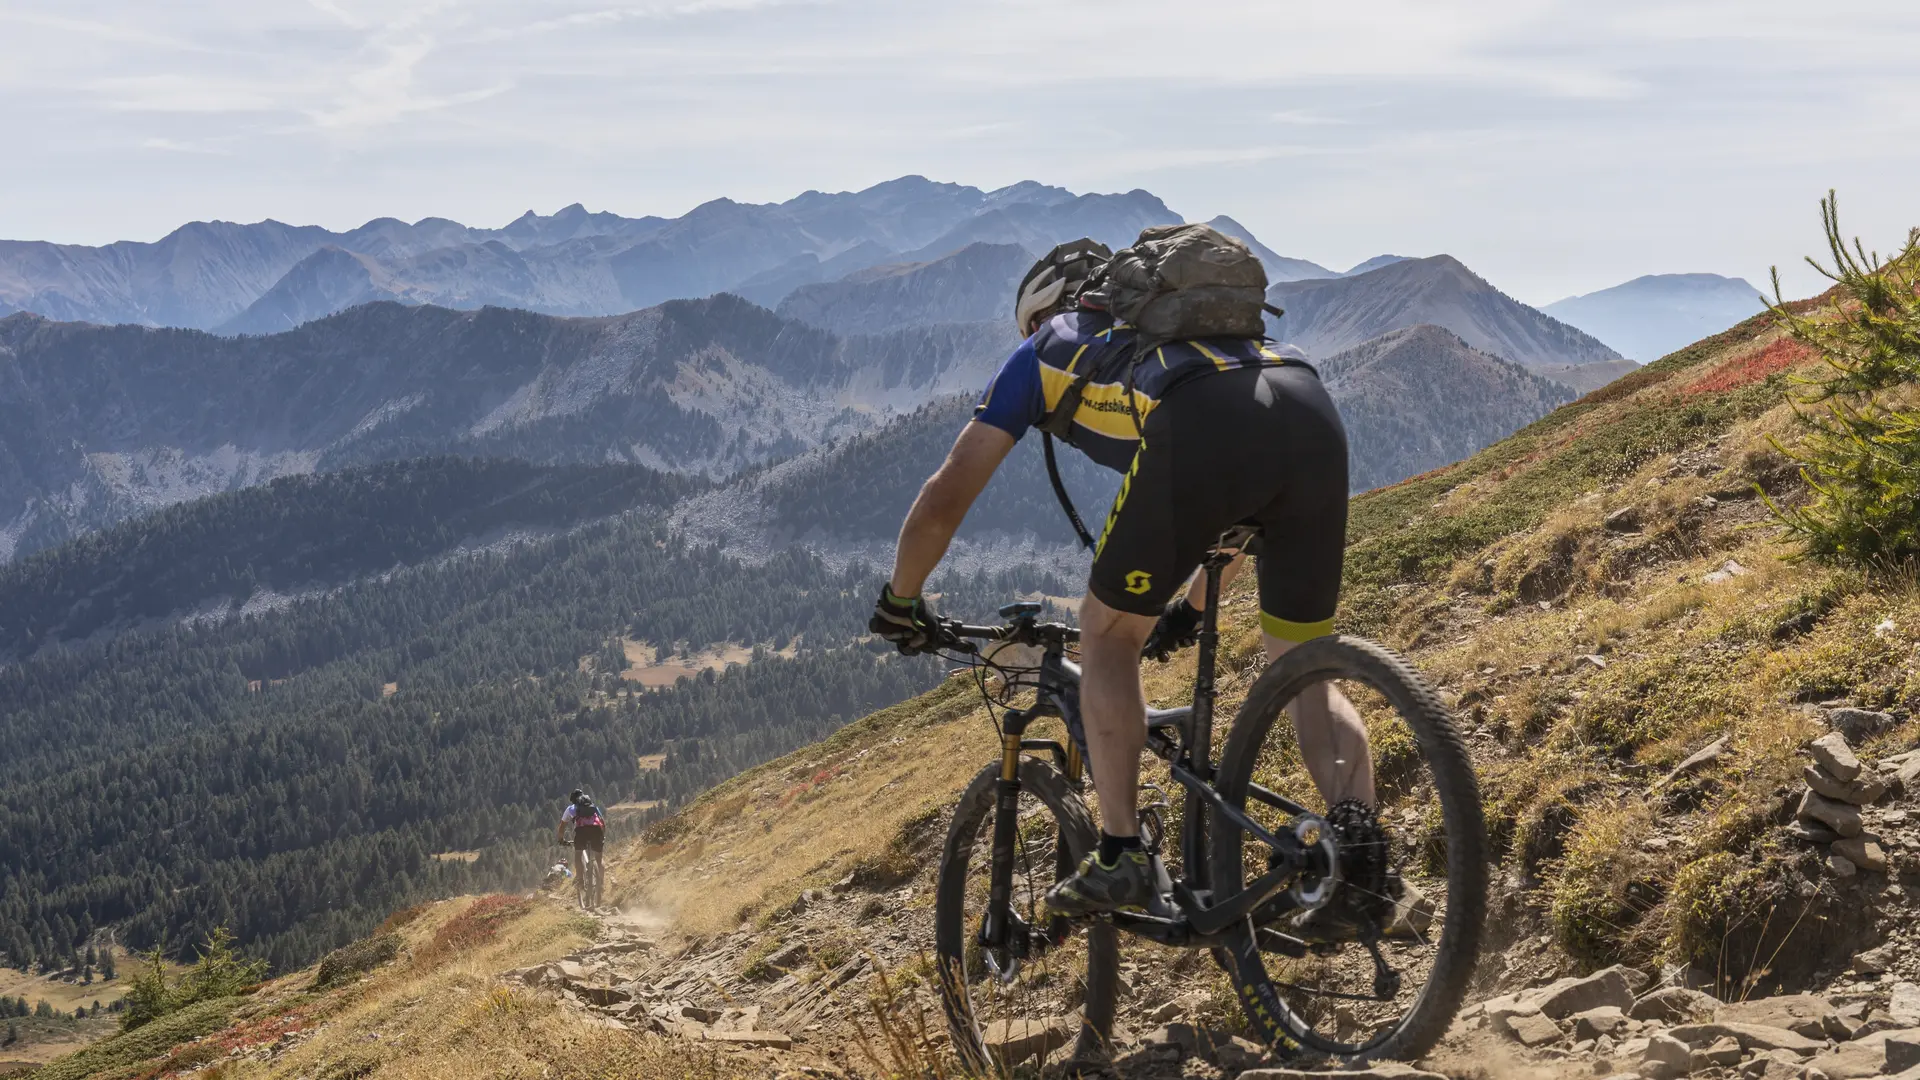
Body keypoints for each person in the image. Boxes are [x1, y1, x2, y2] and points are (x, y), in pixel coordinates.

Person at [870, 235, 1378, 920]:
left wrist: (901, 600)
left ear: (1042, 311)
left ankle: (1123, 853)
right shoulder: (1186, 343)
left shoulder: (1046, 347)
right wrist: (1191, 612)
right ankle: (1364, 864)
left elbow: (945, 497)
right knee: (1302, 673)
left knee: (1106, 636)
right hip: (1308, 406)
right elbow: (1227, 521)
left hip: (1204, 425)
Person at [555, 789, 605, 882]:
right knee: (599, 858)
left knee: (578, 855)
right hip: (596, 830)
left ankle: (580, 881)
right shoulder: (593, 807)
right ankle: (600, 884)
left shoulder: (570, 809)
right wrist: (602, 836)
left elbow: (562, 826)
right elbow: (602, 823)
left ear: (573, 800)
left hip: (581, 832)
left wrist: (561, 839)